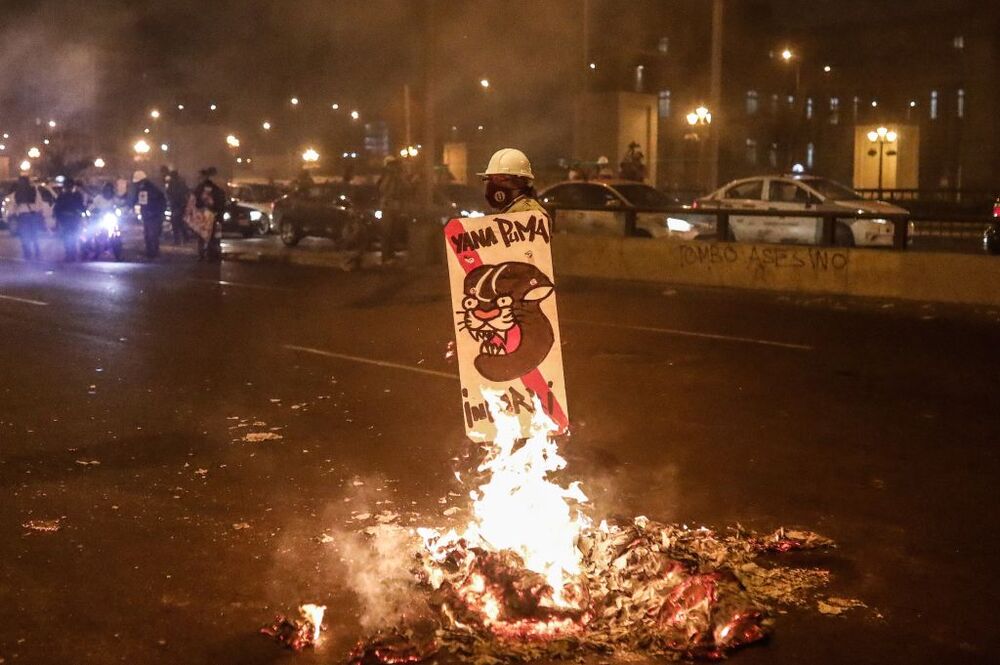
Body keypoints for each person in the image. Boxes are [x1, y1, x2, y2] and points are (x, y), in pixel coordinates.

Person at [478, 148, 546, 215]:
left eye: (497, 179)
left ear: (518, 182)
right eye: (490, 179)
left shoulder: (528, 213)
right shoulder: (514, 210)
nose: (492, 184)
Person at [376, 156, 406, 265]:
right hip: (387, 207)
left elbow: (404, 188)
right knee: (386, 232)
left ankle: (390, 255)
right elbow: (383, 189)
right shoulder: (386, 177)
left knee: (393, 232)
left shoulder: (397, 177)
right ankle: (386, 257)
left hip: (395, 207)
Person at [131, 170, 167, 258]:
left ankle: (153, 253)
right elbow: (136, 200)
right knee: (148, 234)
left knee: (152, 235)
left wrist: (155, 212)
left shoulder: (151, 189)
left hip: (154, 216)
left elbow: (159, 202)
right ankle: (151, 252)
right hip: (148, 215)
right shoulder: (143, 189)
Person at [192, 167, 226, 261]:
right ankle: (210, 254)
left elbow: (196, 200)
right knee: (211, 236)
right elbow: (220, 201)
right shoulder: (215, 188)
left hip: (204, 215)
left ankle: (203, 254)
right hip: (212, 215)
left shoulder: (201, 188)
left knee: (203, 236)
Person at [53, 178, 86, 261]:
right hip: (68, 219)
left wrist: (84, 213)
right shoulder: (64, 196)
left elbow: (81, 207)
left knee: (71, 236)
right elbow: (57, 208)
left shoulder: (75, 195)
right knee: (69, 236)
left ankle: (71, 253)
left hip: (71, 219)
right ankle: (70, 253)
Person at [12, 176, 44, 260]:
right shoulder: (33, 191)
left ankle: (28, 252)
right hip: (31, 215)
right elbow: (39, 203)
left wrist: (14, 214)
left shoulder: (18, 193)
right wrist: (39, 212)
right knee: (33, 234)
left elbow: (14, 206)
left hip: (24, 216)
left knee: (25, 235)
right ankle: (35, 251)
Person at [165, 170, 190, 244]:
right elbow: (186, 192)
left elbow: (169, 193)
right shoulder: (181, 183)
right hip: (181, 205)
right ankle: (185, 237)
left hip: (176, 205)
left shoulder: (173, 183)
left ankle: (178, 240)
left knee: (175, 223)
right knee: (180, 222)